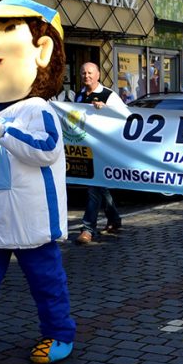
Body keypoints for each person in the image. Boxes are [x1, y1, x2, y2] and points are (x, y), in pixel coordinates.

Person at [0, 0, 75, 363]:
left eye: (6, 30)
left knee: (46, 284)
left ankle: (59, 334)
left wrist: (3, 131)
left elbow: (47, 148)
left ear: (42, 50)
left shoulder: (36, 108)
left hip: (31, 222)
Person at [75, 62, 128, 244]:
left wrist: (106, 109)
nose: (86, 76)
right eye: (83, 73)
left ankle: (87, 228)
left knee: (93, 187)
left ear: (98, 75)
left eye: (90, 73)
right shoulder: (79, 95)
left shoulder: (109, 95)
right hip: (85, 149)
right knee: (100, 187)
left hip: (104, 149)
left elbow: (125, 117)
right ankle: (114, 219)